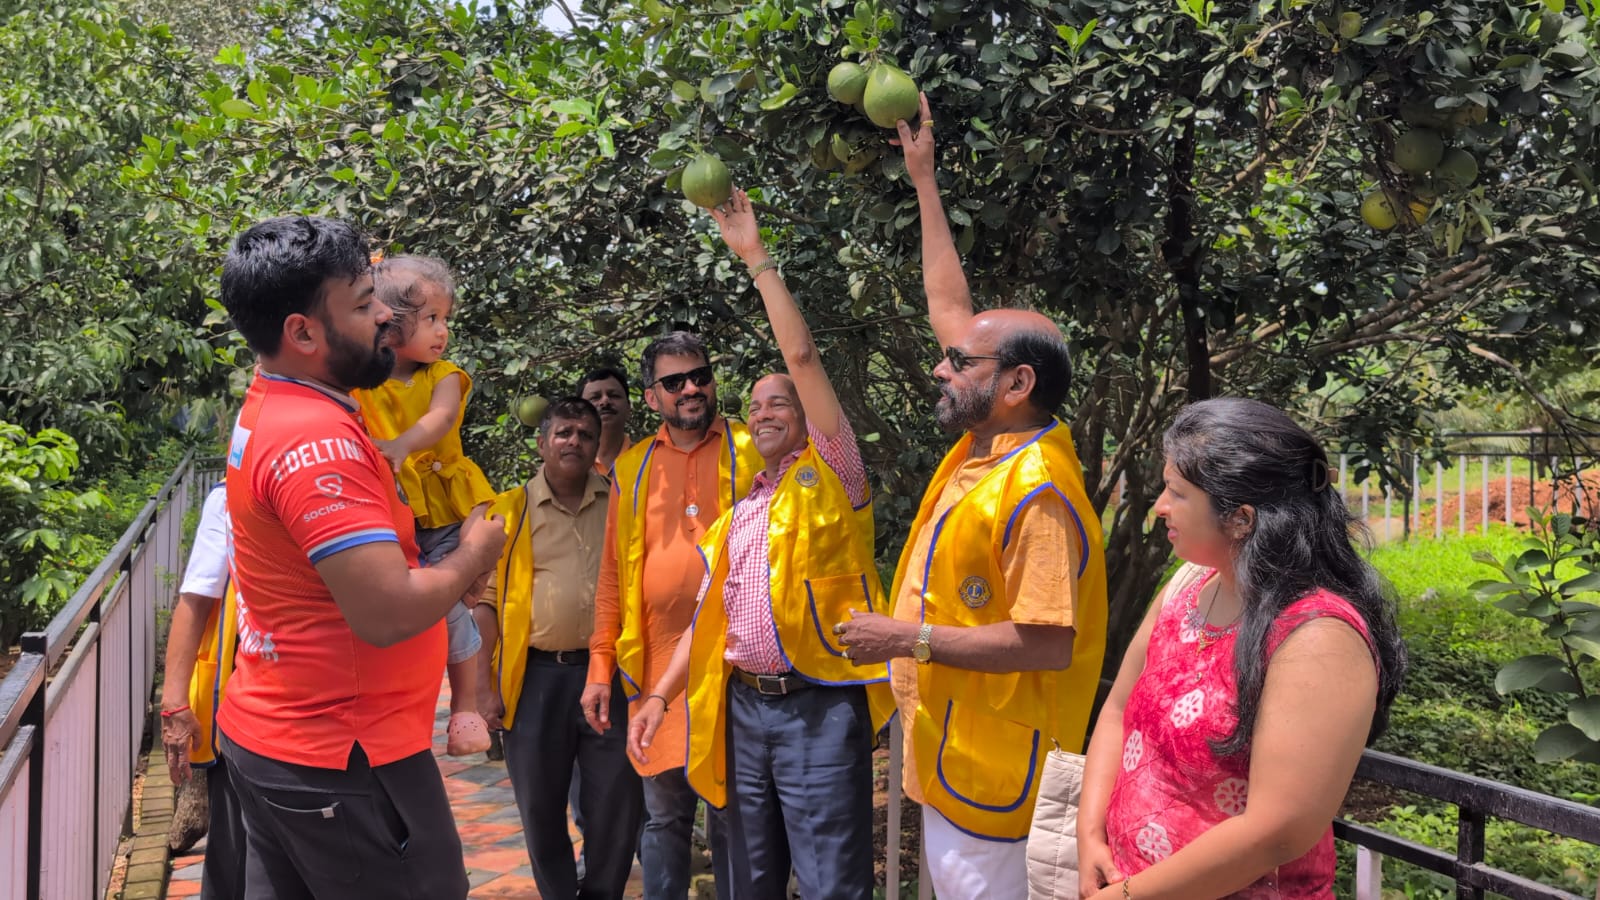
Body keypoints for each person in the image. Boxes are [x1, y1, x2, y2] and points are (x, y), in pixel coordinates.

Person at [838, 95, 1109, 898]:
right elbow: (951, 307)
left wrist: (905, 638)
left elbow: (1045, 642)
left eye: (960, 364)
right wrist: (923, 180)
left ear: (1017, 383)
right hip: (959, 754)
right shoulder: (987, 447)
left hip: (1002, 776)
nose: (940, 368)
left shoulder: (1038, 490)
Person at [215, 215, 505, 900]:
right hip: (343, 755)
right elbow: (385, 612)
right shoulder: (318, 446)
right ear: (304, 332)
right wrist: (473, 556)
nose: (386, 317)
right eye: (363, 303)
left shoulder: (275, 401)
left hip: (282, 735)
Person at [627, 189, 895, 900]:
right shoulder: (742, 510)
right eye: (754, 404)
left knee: (832, 881)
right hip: (742, 709)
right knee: (748, 878)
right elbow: (707, 619)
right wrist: (658, 696)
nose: (763, 410)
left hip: (817, 706)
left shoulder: (835, 479)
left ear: (808, 419)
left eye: (780, 401)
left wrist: (756, 259)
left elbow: (802, 356)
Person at [1075, 399, 1406, 899]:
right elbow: (1119, 710)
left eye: (1177, 493)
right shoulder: (1189, 583)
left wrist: (1125, 897)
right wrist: (1089, 836)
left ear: (1240, 519)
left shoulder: (1318, 636)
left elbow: (1276, 832)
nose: (1160, 506)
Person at [585, 331, 763, 900]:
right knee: (663, 816)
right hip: (656, 662)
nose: (691, 388)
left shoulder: (748, 444)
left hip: (732, 662)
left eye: (700, 376)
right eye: (674, 381)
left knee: (732, 809)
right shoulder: (633, 467)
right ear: (651, 396)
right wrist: (598, 667)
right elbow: (613, 575)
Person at [473, 397, 645, 900]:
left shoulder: (620, 500)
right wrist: (482, 688)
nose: (574, 442)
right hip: (535, 679)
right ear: (542, 441)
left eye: (585, 435)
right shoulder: (506, 512)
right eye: (564, 432)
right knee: (540, 807)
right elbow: (483, 605)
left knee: (617, 801)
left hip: (608, 675)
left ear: (597, 445)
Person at [353, 255, 498, 756]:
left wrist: (400, 446)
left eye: (445, 319)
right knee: (407, 604)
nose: (443, 331)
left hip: (445, 504)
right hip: (398, 510)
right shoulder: (364, 380)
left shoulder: (444, 374)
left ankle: (464, 707)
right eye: (432, 318)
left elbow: (440, 421)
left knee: (454, 604)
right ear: (389, 322)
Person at [158, 480, 245, 900]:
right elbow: (197, 597)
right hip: (242, 700)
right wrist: (174, 703)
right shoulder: (230, 496)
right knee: (238, 850)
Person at [577, 365, 634, 476]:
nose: (605, 401)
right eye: (595, 397)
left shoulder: (649, 459)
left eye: (614, 395)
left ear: (629, 408)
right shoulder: (568, 465)